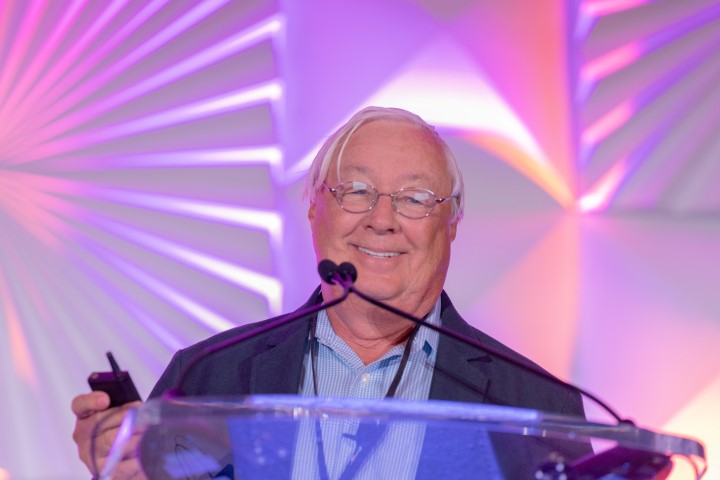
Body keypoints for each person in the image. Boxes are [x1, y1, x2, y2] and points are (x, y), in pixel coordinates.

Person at [72, 106, 587, 479]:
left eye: (414, 198)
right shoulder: (205, 375)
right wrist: (121, 468)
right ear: (314, 207)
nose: (382, 220)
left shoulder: (538, 405)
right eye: (356, 191)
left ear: (451, 223)